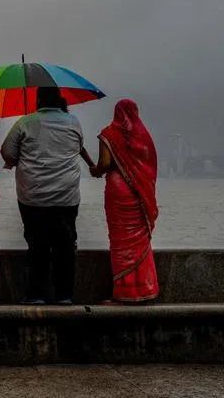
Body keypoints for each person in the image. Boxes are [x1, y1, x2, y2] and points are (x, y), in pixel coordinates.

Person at [1, 87, 84, 304]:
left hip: (33, 196)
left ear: (38, 100)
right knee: (65, 245)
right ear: (60, 101)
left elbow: (7, 152)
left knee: (37, 244)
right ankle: (64, 295)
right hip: (67, 195)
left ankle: (36, 295)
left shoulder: (24, 123)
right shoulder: (73, 122)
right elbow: (78, 146)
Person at [90, 99, 160, 303]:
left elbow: (104, 163)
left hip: (117, 191)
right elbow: (149, 167)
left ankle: (124, 292)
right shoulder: (143, 137)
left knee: (120, 242)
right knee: (140, 241)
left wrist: (95, 171)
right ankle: (146, 290)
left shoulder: (108, 134)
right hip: (138, 194)